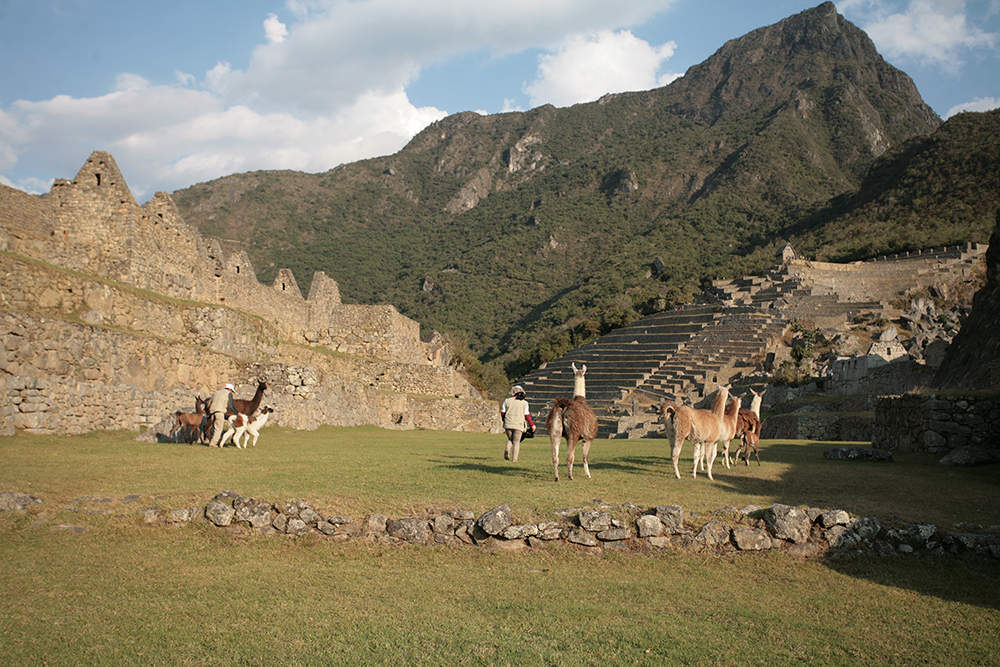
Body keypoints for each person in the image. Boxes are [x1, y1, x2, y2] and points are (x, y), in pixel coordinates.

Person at [500, 385, 534, 462]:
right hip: (518, 425)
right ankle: (514, 459)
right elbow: (527, 416)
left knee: (510, 439)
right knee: (516, 442)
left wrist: (504, 420)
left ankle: (507, 449)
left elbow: (502, 413)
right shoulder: (524, 403)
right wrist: (532, 425)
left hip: (508, 424)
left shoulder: (507, 401)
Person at [207, 383, 236, 447]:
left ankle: (211, 441)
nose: (232, 392)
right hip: (220, 412)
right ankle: (213, 443)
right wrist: (237, 412)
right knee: (219, 428)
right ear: (229, 389)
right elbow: (231, 406)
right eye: (232, 391)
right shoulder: (228, 394)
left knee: (214, 427)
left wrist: (205, 409)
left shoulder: (216, 392)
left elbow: (208, 402)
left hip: (212, 411)